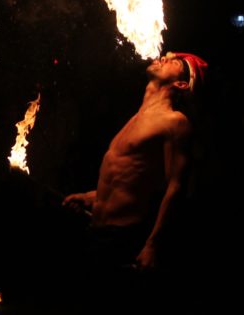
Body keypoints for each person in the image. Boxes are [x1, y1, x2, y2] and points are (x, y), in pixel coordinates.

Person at [63, 51, 208, 273]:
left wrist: (152, 245)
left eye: (175, 62)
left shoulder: (175, 123)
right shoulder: (136, 118)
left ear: (181, 84)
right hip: (94, 230)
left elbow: (176, 188)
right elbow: (132, 180)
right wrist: (90, 197)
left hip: (122, 238)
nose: (165, 57)